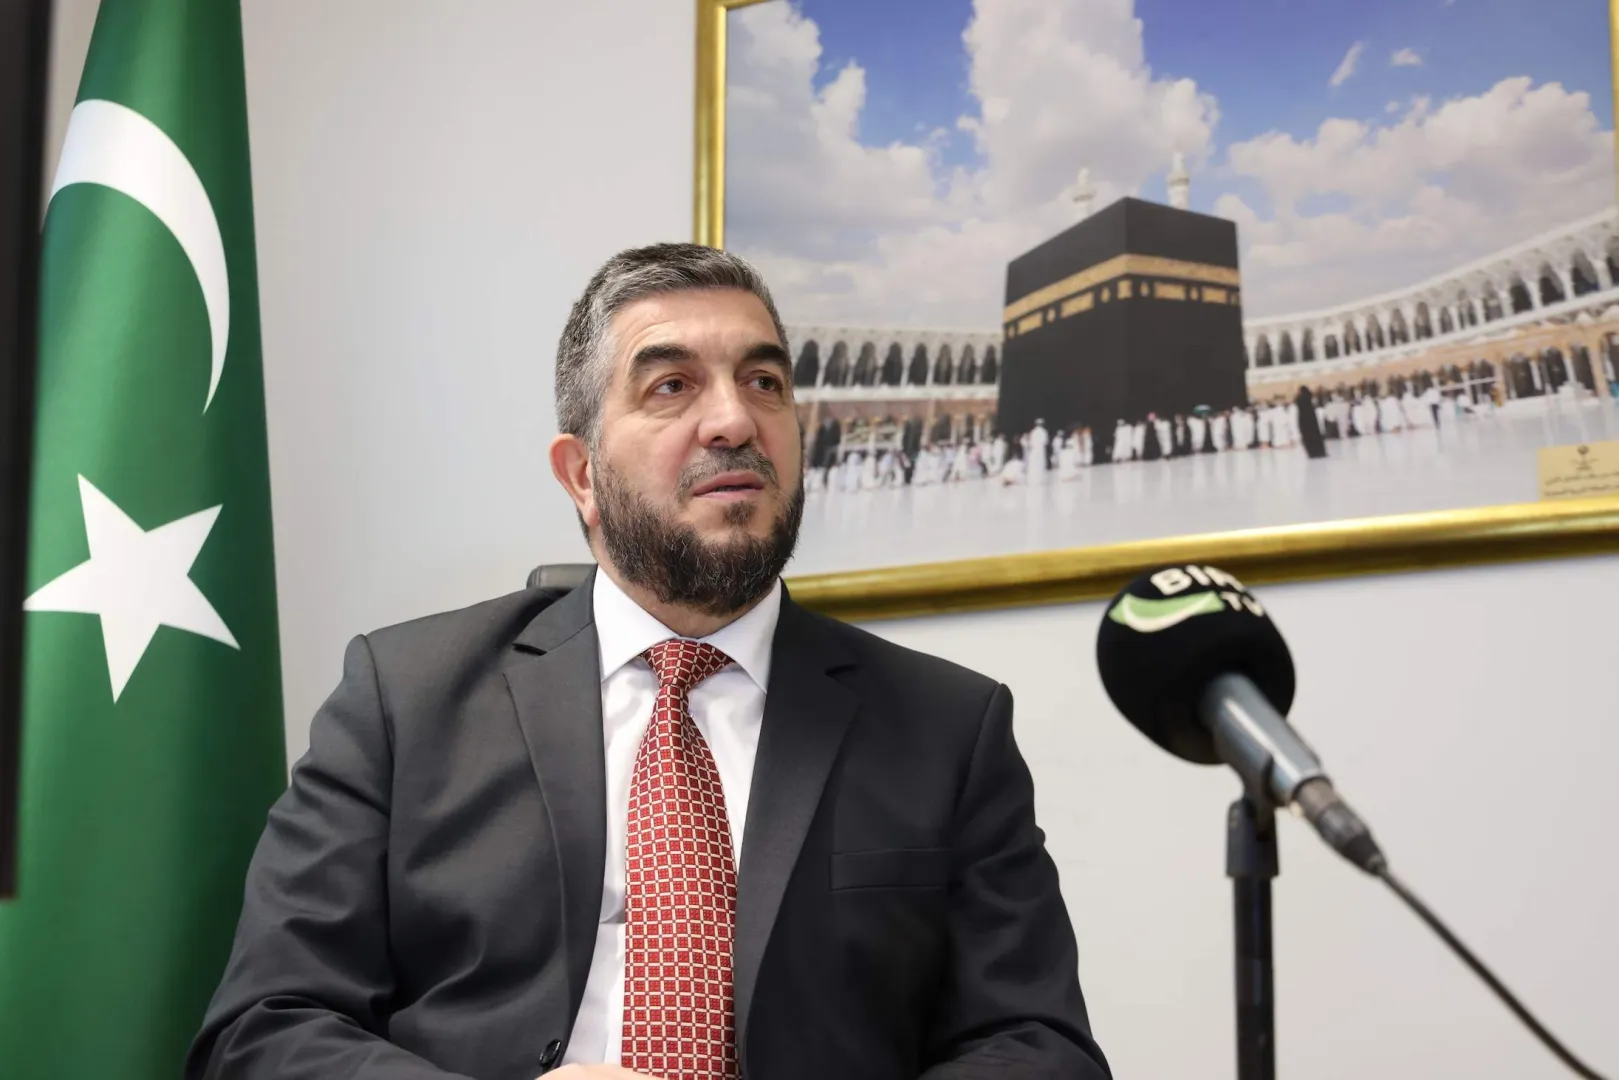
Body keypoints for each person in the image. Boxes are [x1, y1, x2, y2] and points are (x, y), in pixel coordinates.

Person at [187, 243, 1109, 1080]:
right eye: (671, 386)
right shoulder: (405, 699)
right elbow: (263, 1029)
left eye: (764, 382)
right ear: (581, 473)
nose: (734, 420)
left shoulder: (945, 726)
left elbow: (1039, 1046)